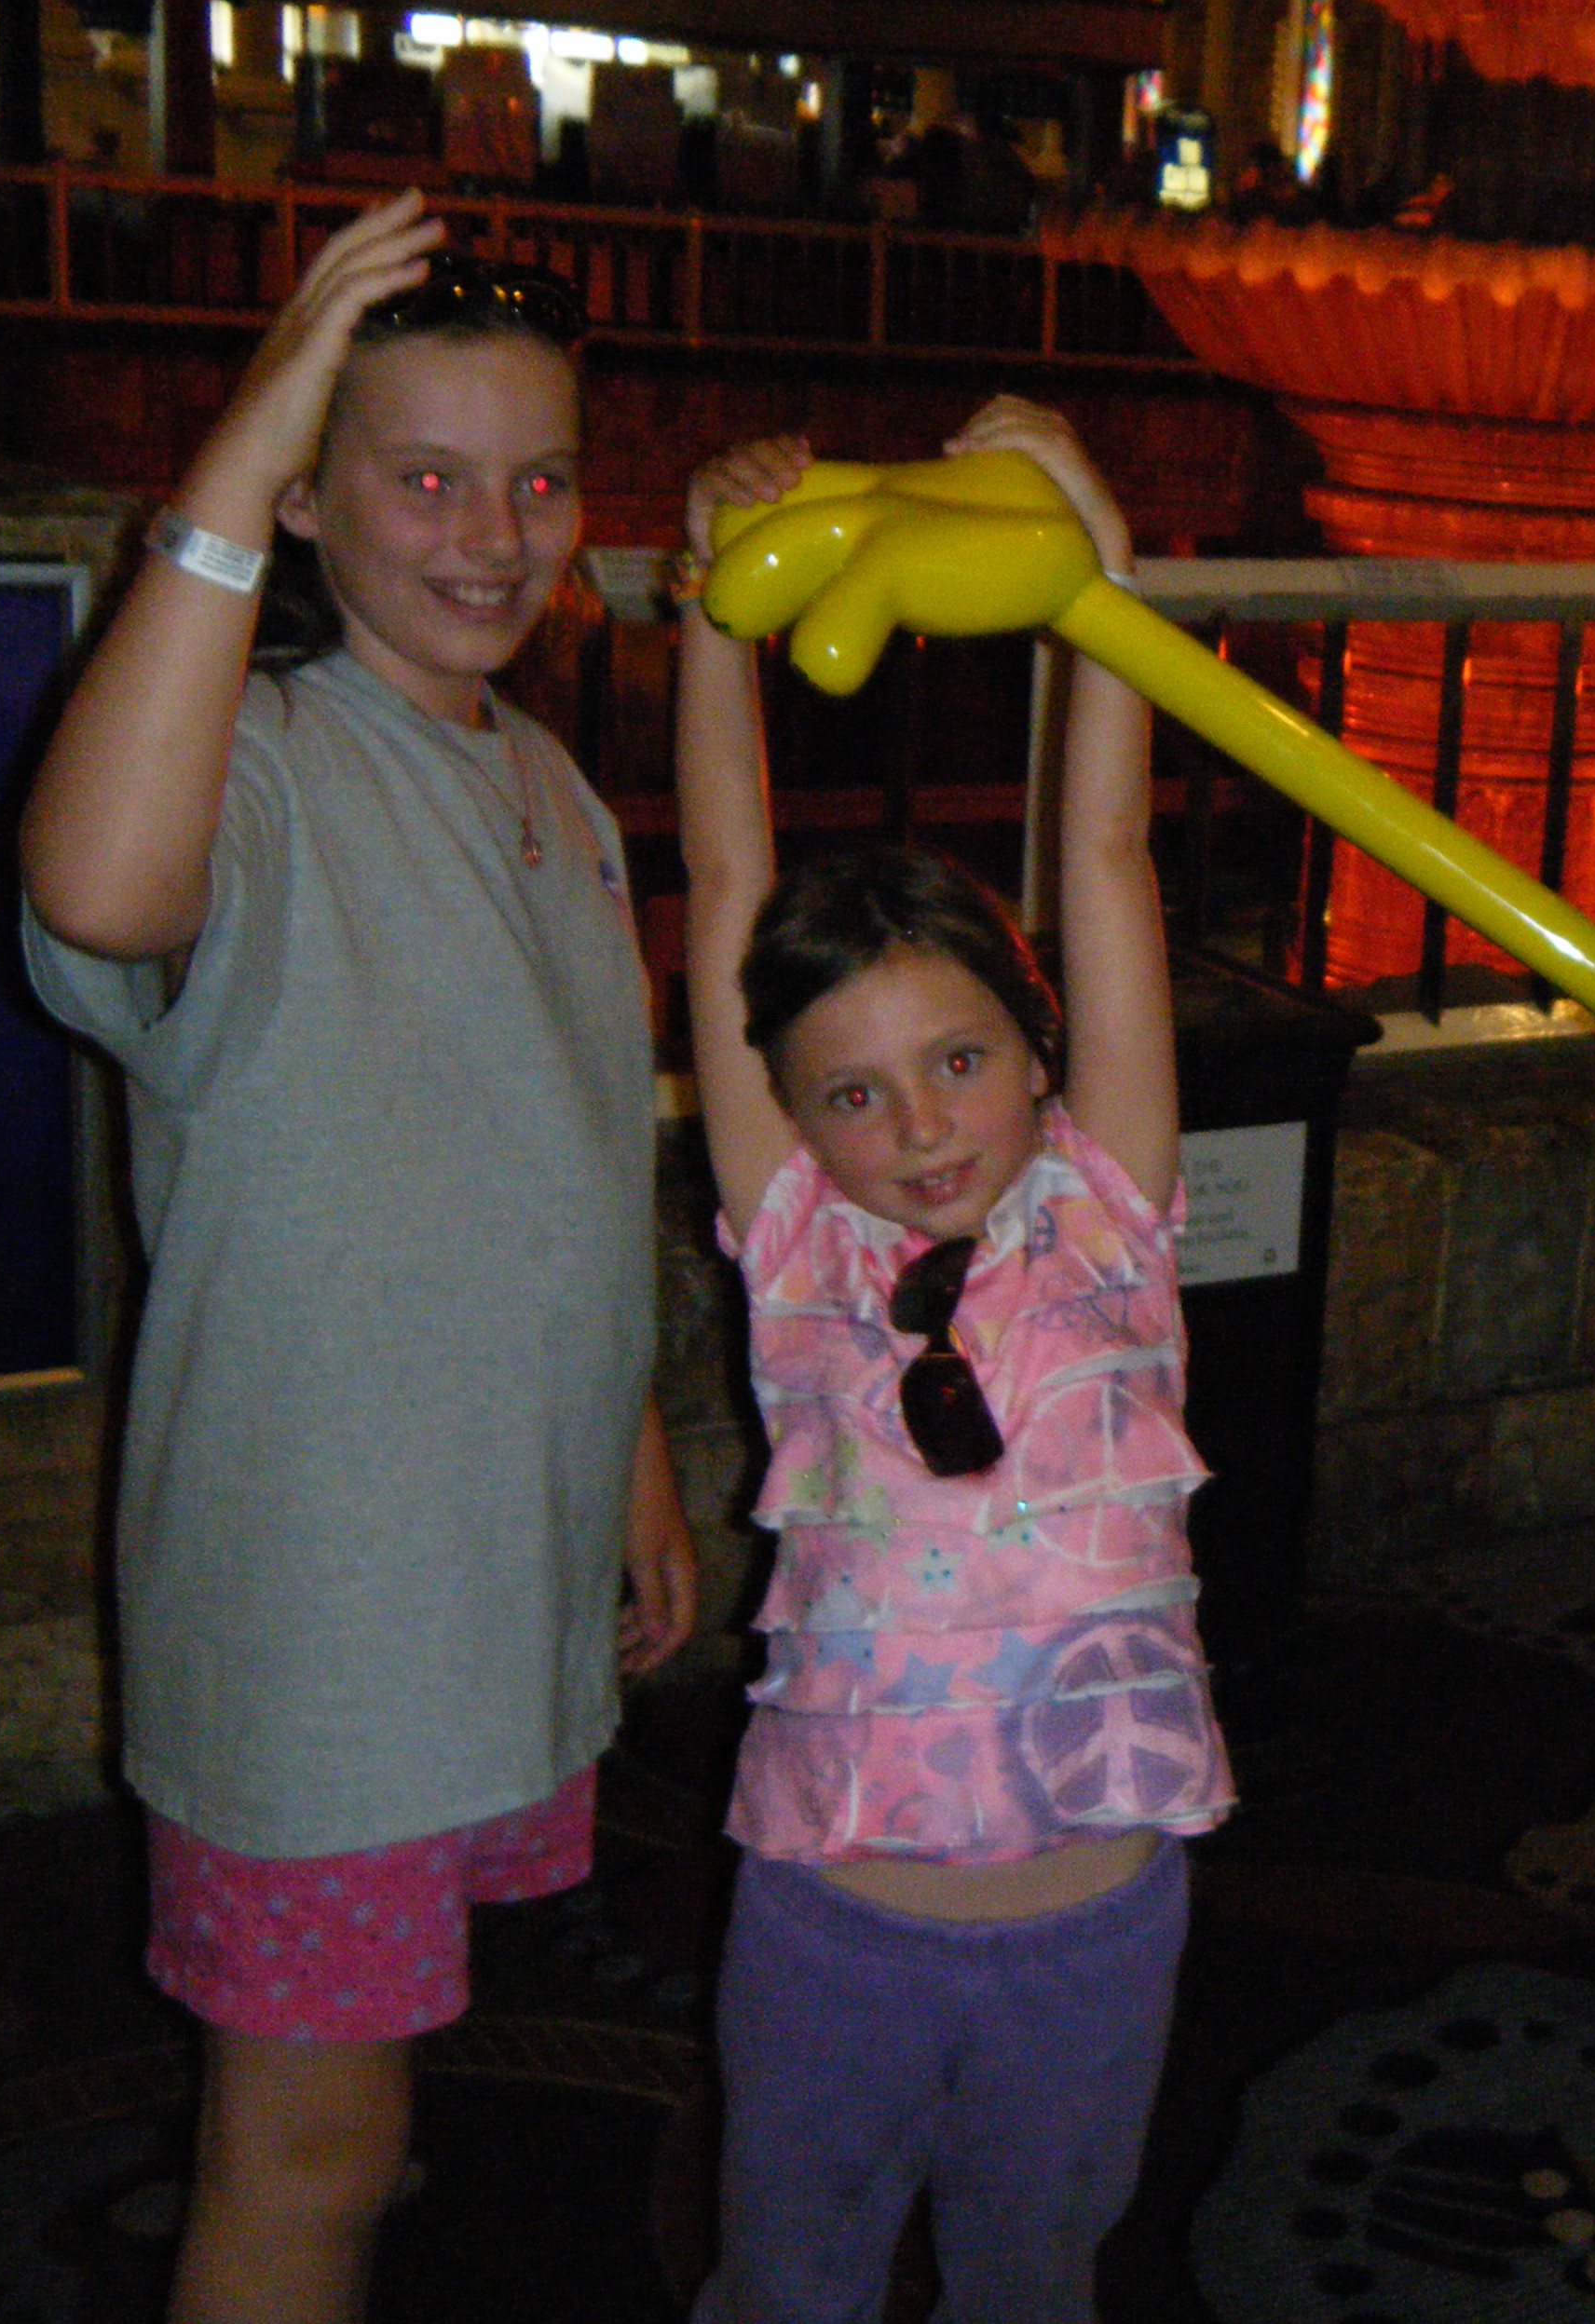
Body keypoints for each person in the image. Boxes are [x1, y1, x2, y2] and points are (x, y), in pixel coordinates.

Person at [17, 191, 696, 2324]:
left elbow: (570, 1151)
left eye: (538, 481)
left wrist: (634, 1446)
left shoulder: (550, 782)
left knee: (370, 2107)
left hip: (488, 1583)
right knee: (301, 2157)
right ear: (302, 499)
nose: (493, 536)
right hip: (323, 1640)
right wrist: (243, 440)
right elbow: (101, 889)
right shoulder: (256, 763)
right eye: (421, 478)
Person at [675, 399, 1233, 2324]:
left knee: (1033, 2282)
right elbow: (728, 889)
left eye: (961, 1060)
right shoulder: (798, 1246)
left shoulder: (1107, 1211)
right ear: (792, 1114)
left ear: (1038, 1046)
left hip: (1096, 1930)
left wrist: (1094, 557)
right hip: (833, 1924)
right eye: (852, 1091)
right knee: (791, 2283)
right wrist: (712, 606)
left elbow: (1108, 852)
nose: (917, 1125)